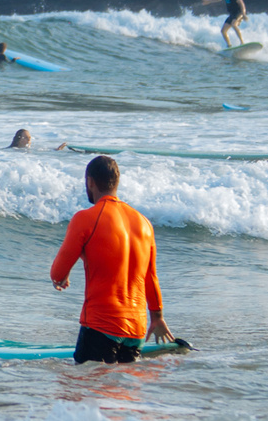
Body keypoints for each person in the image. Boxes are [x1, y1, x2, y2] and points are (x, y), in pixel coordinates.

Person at [50, 154, 177, 364]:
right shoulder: (144, 223)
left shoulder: (85, 218)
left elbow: (57, 274)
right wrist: (157, 318)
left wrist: (69, 268)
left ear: (90, 181)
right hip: (136, 330)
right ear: (116, 182)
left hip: (102, 324)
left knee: (85, 391)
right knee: (122, 392)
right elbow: (150, 277)